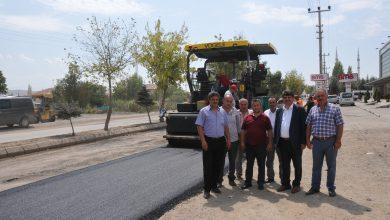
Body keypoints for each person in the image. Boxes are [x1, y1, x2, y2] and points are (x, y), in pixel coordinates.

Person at [305, 89, 344, 197]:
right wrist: (307, 140)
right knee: (316, 166)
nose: (320, 98)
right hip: (316, 142)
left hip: (330, 142)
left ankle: (331, 188)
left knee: (331, 166)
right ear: (315, 98)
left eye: (322, 96)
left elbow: (340, 125)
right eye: (318, 96)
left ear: (326, 97)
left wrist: (338, 140)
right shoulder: (313, 109)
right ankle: (315, 187)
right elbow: (308, 126)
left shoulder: (334, 109)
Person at [195, 91, 231, 199]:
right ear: (209, 100)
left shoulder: (223, 112)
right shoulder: (203, 111)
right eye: (213, 99)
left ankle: (214, 186)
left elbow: (225, 127)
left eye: (216, 99)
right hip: (208, 141)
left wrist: (228, 139)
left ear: (218, 100)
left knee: (218, 165)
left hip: (220, 141)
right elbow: (199, 126)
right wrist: (203, 141)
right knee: (208, 166)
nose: (215, 101)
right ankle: (207, 189)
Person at [274, 90, 307, 194]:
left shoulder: (300, 110)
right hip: (282, 143)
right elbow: (277, 127)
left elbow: (304, 127)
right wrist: (276, 141)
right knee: (284, 165)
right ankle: (286, 184)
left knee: (297, 164)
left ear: (293, 98)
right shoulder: (279, 111)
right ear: (282, 99)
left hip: (296, 143)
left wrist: (303, 142)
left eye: (289, 97)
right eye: (285, 97)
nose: (287, 99)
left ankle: (296, 184)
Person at [240, 99, 273, 190]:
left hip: (261, 145)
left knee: (261, 165)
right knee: (249, 165)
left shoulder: (265, 118)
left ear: (260, 106)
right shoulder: (247, 118)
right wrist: (242, 142)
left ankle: (260, 183)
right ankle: (248, 182)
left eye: (257, 105)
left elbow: (270, 131)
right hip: (249, 145)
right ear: (252, 107)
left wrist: (270, 143)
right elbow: (243, 131)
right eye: (254, 105)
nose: (256, 107)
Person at [219, 94, 241, 187]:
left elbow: (238, 125)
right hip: (222, 141)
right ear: (223, 101)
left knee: (232, 161)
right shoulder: (218, 111)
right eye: (227, 101)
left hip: (234, 140)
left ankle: (231, 179)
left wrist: (240, 138)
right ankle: (219, 180)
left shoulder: (235, 111)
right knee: (220, 161)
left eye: (230, 101)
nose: (229, 103)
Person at [263, 97, 282, 183]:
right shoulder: (266, 112)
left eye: (273, 102)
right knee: (269, 160)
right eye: (270, 102)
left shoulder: (280, 112)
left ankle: (283, 178)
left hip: (279, 140)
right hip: (268, 139)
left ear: (276, 103)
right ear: (268, 103)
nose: (272, 104)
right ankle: (270, 177)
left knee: (282, 160)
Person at [236, 98, 252, 180]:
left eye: (245, 104)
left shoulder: (252, 113)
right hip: (238, 137)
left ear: (247, 105)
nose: (243, 106)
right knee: (238, 157)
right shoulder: (235, 113)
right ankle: (239, 174)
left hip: (249, 138)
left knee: (249, 157)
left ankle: (249, 174)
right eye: (241, 104)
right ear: (239, 105)